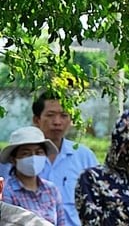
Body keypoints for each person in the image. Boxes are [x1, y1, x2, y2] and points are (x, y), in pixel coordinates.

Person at [31, 93, 96, 226]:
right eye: (50, 115)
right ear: (37, 120)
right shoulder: (19, 158)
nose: (57, 122)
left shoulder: (84, 157)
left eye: (64, 115)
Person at [1, 127, 65, 225]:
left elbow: (61, 222)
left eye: (39, 152)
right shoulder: (7, 191)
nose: (33, 157)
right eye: (26, 153)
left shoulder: (51, 189)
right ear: (13, 159)